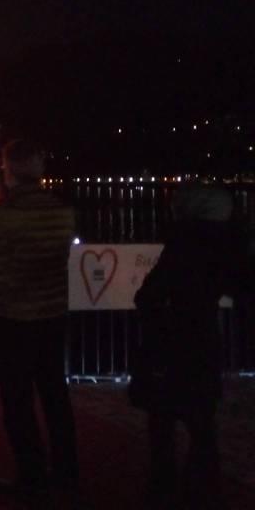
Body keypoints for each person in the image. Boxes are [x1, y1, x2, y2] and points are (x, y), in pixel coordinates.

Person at [0, 140, 79, 507]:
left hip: (12, 315)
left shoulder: (1, 214)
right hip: (53, 311)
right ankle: (66, 470)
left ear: (9, 171)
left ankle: (32, 474)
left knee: (18, 399)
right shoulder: (63, 210)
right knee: (55, 393)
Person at [131, 184, 249, 509]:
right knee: (201, 420)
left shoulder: (184, 241)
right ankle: (203, 488)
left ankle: (164, 487)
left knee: (163, 419)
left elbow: (151, 293)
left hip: (171, 338)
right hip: (204, 336)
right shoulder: (230, 243)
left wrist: (149, 308)